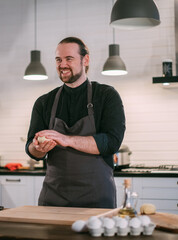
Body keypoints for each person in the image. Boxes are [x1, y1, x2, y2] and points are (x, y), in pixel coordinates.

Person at [25, 37, 126, 208]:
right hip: (54, 199)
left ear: (85, 60)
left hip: (96, 200)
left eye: (68, 59)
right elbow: (31, 149)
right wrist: (38, 148)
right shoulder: (44, 102)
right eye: (58, 59)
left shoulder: (106, 96)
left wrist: (67, 139)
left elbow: (111, 142)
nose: (62, 65)